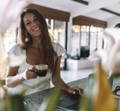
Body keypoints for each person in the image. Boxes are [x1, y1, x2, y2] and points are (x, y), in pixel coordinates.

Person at [5, 8, 83, 95]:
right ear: (25, 29)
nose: (34, 24)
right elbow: (8, 82)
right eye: (28, 23)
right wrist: (22, 76)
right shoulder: (17, 50)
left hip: (42, 99)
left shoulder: (56, 49)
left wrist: (69, 88)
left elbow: (56, 78)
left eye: (36, 19)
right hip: (20, 99)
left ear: (42, 21)